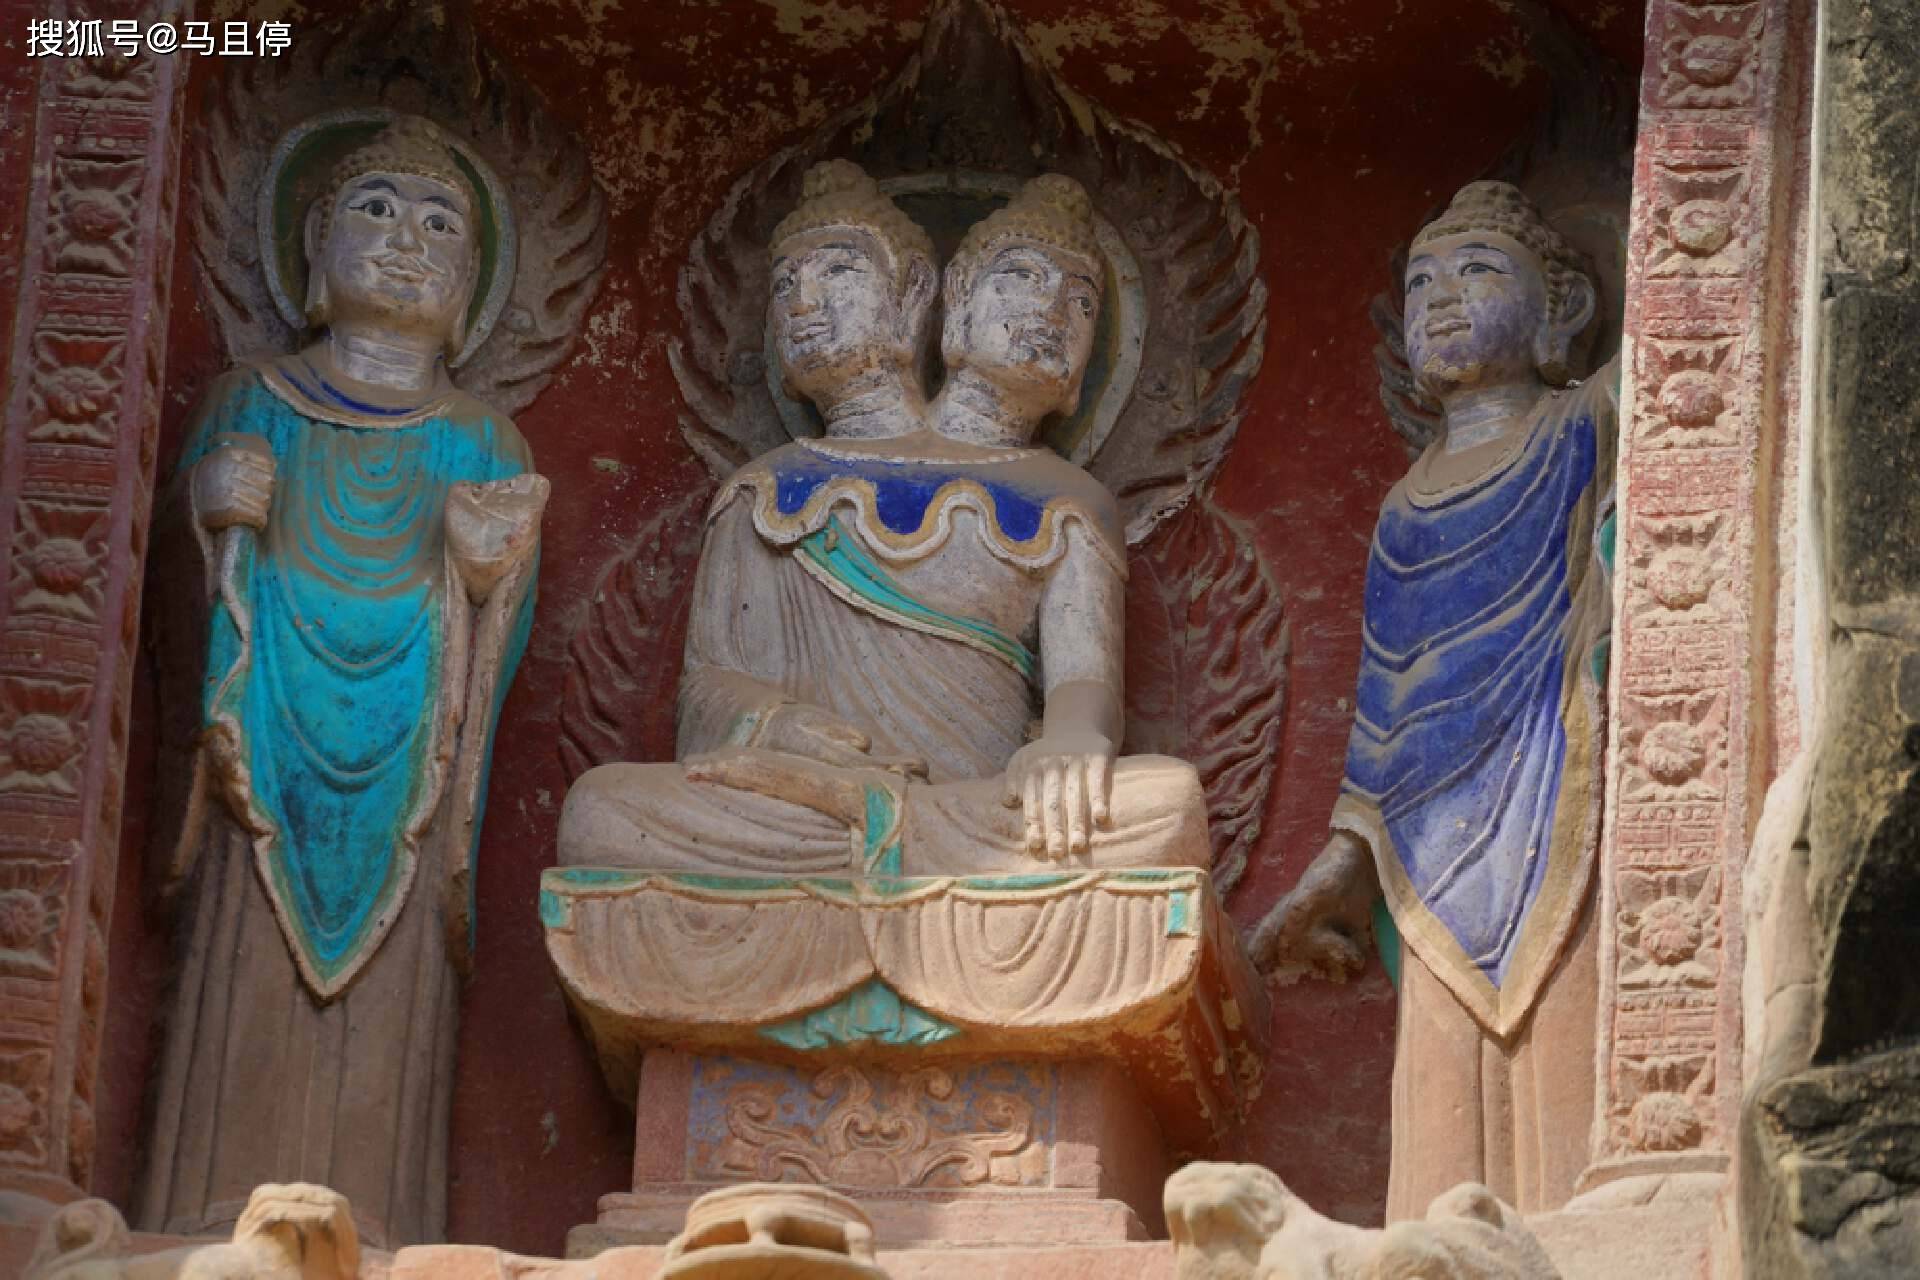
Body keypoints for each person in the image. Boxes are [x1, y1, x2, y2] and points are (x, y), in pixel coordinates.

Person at [139, 115, 545, 1248]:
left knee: (394, 977)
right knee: (244, 954)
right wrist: (204, 515)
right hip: (258, 733)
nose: (406, 241)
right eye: (374, 211)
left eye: (439, 225)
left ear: (472, 283)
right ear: (314, 244)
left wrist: (485, 576)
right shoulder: (249, 402)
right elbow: (163, 600)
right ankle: (196, 1219)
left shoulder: (486, 437)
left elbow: (500, 624)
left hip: (413, 751)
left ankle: (383, 1223)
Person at [1254, 180, 1616, 1218]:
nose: (1442, 299)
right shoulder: (1402, 507)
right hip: (1426, 820)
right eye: (1420, 283)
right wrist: (1340, 860)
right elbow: (1385, 702)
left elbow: (1680, 357)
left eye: (1477, 271)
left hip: (1555, 766)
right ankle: (1435, 1229)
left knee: (1567, 981)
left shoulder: (1577, 425)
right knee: (1442, 1027)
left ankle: (1576, 1216)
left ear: (1561, 310)